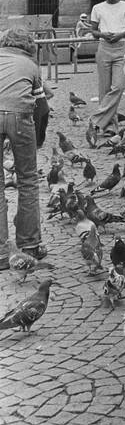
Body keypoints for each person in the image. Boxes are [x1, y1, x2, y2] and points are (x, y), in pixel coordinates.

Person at [0, 28, 51, 268]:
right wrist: (37, 141)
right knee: (28, 180)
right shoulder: (30, 65)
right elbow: (42, 108)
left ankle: (1, 253)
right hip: (20, 116)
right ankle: (30, 244)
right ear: (29, 46)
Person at [88, 0, 125, 133]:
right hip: (103, 48)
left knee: (119, 87)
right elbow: (93, 31)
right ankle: (110, 127)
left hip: (121, 49)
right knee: (104, 90)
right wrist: (103, 34)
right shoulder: (97, 8)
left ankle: (96, 120)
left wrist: (121, 34)